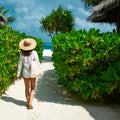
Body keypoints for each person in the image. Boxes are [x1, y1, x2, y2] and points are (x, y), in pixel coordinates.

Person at [17, 38, 41, 109]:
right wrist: (40, 71)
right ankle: (30, 103)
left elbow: (20, 65)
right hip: (33, 73)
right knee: (33, 88)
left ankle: (28, 102)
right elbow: (37, 63)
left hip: (25, 73)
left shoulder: (21, 54)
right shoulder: (34, 53)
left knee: (27, 88)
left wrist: (18, 74)